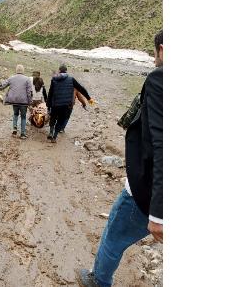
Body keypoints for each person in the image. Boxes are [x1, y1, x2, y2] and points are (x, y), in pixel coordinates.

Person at [76, 30, 163, 287]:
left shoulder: (161, 79)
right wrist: (87, 101)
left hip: (145, 193)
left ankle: (97, 281)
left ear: (162, 49)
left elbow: (163, 144)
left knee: (112, 238)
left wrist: (158, 214)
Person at [46, 64, 94, 143]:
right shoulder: (71, 79)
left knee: (53, 118)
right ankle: (54, 137)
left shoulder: (54, 79)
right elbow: (81, 89)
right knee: (60, 121)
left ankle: (51, 132)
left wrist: (48, 105)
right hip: (66, 105)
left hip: (55, 104)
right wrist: (89, 98)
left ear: (59, 70)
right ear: (66, 71)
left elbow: (50, 93)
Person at [0, 64, 33, 139]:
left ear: (16, 70)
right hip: (24, 102)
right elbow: (29, 92)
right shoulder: (27, 79)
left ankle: (14, 128)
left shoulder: (11, 78)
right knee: (23, 117)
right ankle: (23, 134)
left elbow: (3, 85)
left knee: (15, 114)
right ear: (23, 70)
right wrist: (30, 102)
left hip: (14, 100)